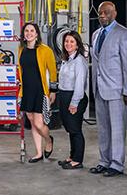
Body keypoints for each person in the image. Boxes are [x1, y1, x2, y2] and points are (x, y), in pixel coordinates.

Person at [89, 1, 127, 177]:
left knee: (117, 129)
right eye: (100, 13)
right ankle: (104, 161)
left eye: (106, 12)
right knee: (103, 129)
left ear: (114, 14)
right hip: (99, 89)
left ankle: (116, 164)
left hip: (117, 91)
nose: (102, 15)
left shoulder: (124, 35)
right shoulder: (95, 34)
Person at [17, 22, 57, 163]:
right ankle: (39, 153)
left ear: (37, 33)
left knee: (40, 123)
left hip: (40, 90)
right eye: (26, 31)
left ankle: (48, 140)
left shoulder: (45, 50)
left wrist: (53, 91)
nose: (29, 33)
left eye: (32, 30)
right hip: (26, 91)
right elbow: (21, 71)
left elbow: (53, 72)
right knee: (33, 122)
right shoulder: (21, 49)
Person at [57, 30, 88, 170]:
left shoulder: (79, 61)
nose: (68, 44)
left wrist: (74, 103)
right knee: (70, 129)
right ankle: (71, 156)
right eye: (66, 41)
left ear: (77, 45)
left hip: (75, 97)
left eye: (72, 42)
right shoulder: (66, 59)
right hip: (64, 96)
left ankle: (77, 160)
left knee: (75, 130)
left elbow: (80, 84)